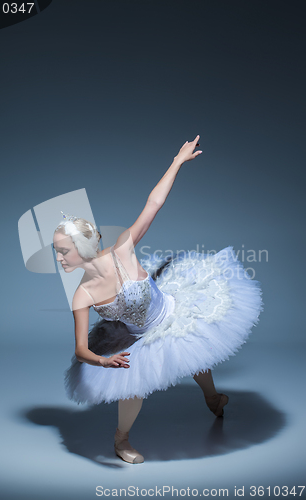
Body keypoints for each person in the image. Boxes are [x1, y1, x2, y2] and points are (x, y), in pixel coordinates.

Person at [52, 135, 263, 464]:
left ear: (81, 248)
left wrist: (177, 162)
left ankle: (212, 399)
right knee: (132, 385)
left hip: (174, 311)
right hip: (137, 336)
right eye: (57, 253)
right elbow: (81, 349)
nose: (60, 259)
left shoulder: (123, 249)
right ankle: (121, 439)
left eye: (63, 251)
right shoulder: (83, 293)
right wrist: (104, 361)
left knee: (196, 354)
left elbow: (153, 204)